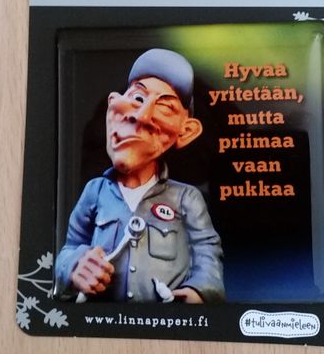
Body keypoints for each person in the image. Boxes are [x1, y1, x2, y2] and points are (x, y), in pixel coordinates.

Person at [55, 48, 224, 303]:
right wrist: (75, 265)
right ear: (113, 104)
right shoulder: (95, 191)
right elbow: (68, 248)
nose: (143, 115)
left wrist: (199, 290)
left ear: (186, 131)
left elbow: (207, 251)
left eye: (165, 107)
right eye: (137, 97)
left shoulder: (186, 198)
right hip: (101, 321)